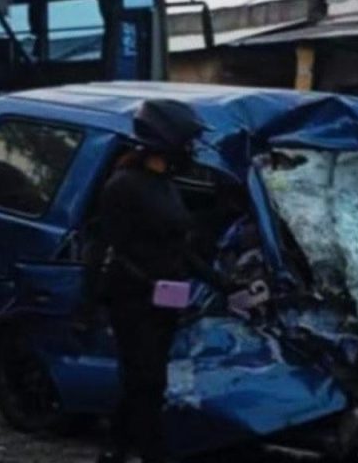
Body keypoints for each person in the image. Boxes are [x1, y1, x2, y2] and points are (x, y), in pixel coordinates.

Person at [94, 99, 209, 463]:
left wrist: (221, 281)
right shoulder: (124, 185)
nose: (192, 150)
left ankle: (116, 450)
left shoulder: (166, 185)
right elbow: (102, 244)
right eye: (186, 141)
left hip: (165, 299)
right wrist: (88, 302)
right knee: (146, 381)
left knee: (144, 381)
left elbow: (180, 246)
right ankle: (149, 452)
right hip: (133, 299)